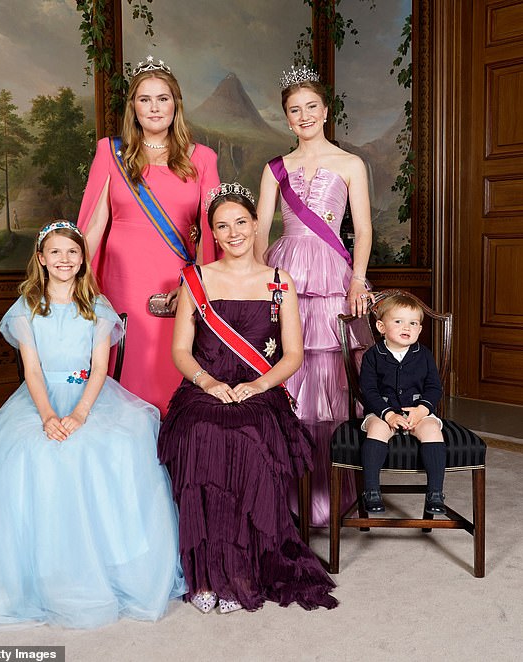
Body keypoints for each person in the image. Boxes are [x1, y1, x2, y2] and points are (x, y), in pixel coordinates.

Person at [0, 221, 185, 629]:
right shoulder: (26, 308)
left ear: (82, 259)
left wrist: (78, 415)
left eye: (72, 252)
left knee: (121, 441)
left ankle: (113, 562)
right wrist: (50, 416)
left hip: (91, 399)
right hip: (40, 400)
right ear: (41, 259)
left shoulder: (98, 307)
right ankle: (24, 570)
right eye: (55, 252)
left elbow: (98, 371)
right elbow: (33, 372)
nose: (64, 259)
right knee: (26, 448)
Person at [158, 184, 338, 614]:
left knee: (249, 435)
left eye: (241, 222)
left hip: (260, 390)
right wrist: (207, 383)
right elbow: (180, 351)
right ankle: (206, 573)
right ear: (213, 234)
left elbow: (293, 354)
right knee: (203, 432)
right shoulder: (195, 279)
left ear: (257, 225)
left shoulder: (280, 283)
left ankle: (243, 571)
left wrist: (258, 386)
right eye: (222, 226)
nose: (234, 232)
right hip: (204, 389)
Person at [256, 65, 374, 526]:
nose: (303, 116)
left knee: (329, 378)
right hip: (284, 273)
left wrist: (358, 279)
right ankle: (282, 492)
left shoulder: (350, 164)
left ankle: (331, 489)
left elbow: (361, 230)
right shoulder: (275, 169)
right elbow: (260, 231)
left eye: (311, 107)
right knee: (285, 369)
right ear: (286, 119)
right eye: (294, 110)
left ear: (326, 111)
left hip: (332, 276)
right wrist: (251, 286)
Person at [77, 55, 220, 415]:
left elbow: (210, 230)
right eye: (145, 99)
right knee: (125, 372)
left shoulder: (202, 158)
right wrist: (75, 286)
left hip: (177, 284)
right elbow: (93, 225)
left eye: (162, 98)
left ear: (176, 104)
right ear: (133, 108)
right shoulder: (110, 152)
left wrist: (195, 286)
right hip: (121, 283)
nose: (154, 108)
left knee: (170, 372)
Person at [359, 293, 446, 515]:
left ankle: (435, 492)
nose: (406, 327)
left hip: (417, 411)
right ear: (381, 326)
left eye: (413, 323)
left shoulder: (424, 355)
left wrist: (422, 411)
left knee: (432, 430)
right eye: (398, 321)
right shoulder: (372, 356)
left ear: (419, 329)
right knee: (377, 429)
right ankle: (371, 490)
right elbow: (368, 391)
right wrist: (388, 415)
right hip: (382, 413)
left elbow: (434, 388)